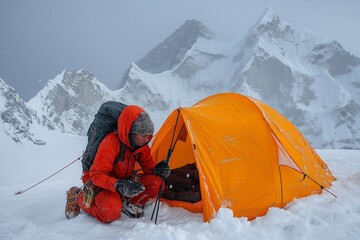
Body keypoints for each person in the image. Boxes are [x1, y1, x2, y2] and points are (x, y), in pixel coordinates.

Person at [65, 105, 170, 223]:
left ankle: (128, 203)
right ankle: (78, 196)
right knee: (111, 212)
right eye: (144, 135)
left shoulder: (140, 145)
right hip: (99, 182)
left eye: (149, 135)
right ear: (131, 132)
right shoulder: (111, 142)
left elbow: (148, 166)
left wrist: (157, 170)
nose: (147, 139)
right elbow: (96, 175)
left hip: (123, 180)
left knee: (157, 183)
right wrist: (118, 185)